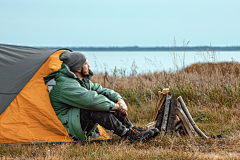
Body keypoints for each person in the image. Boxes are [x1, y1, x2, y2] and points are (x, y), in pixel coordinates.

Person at [49, 50, 159, 141]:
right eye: (86, 64)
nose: (89, 66)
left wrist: (119, 100)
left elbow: (102, 91)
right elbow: (92, 100)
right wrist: (116, 107)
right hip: (67, 127)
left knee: (105, 102)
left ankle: (132, 130)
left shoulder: (80, 80)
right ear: (78, 68)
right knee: (97, 106)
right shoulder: (65, 85)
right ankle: (128, 136)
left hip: (76, 121)